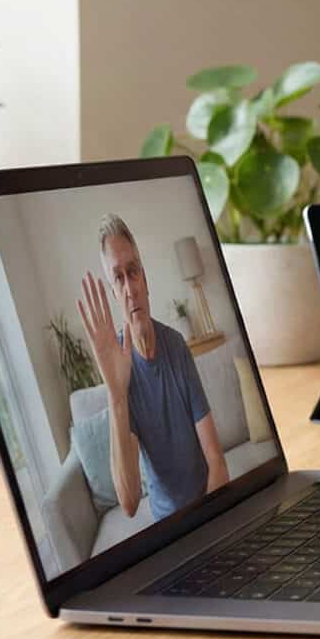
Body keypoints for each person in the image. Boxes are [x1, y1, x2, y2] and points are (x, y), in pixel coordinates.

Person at [78, 214, 229, 521]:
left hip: (208, 500)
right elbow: (130, 502)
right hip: (169, 521)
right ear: (113, 293)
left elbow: (216, 459)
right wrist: (116, 395)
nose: (129, 288)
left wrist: (207, 522)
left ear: (145, 280)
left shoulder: (175, 344)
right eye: (118, 278)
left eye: (133, 272)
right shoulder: (120, 368)